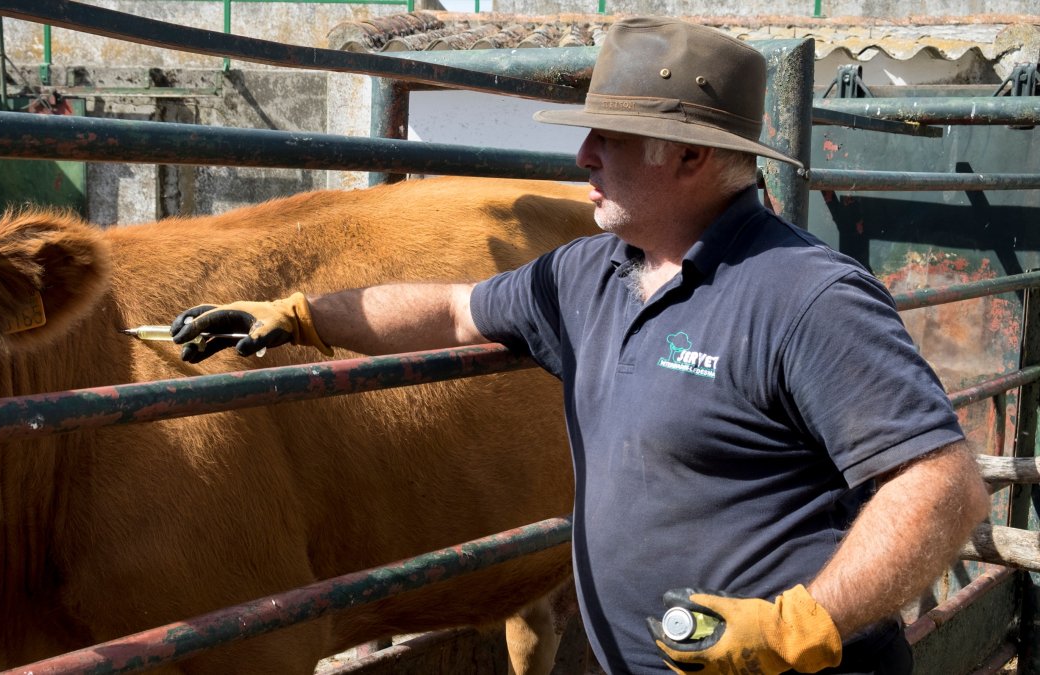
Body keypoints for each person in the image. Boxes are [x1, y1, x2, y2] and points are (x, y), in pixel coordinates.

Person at [169, 17, 990, 675]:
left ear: (693, 154)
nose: (583, 155)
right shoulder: (589, 272)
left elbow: (943, 484)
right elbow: (453, 309)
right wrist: (305, 315)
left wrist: (799, 626)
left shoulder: (805, 295)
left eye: (612, 137)